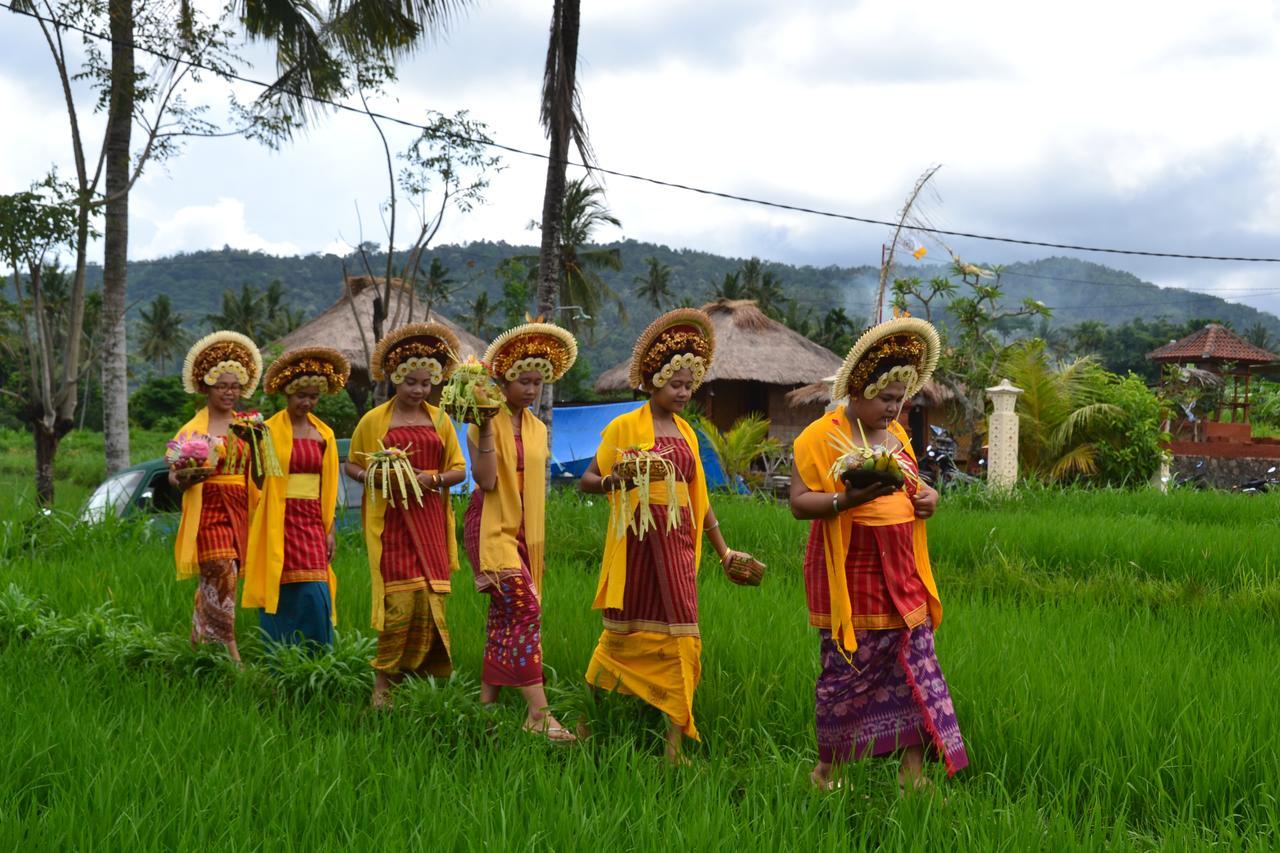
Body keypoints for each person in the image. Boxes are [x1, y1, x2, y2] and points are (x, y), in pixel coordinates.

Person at [789, 315, 968, 792]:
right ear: (859, 390)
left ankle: (913, 776)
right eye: (885, 399)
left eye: (899, 400)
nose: (893, 409)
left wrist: (929, 497)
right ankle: (828, 772)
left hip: (902, 572)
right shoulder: (819, 437)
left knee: (911, 665)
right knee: (849, 671)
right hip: (851, 572)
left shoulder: (898, 438)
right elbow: (799, 502)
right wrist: (845, 501)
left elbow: (915, 486)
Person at [579, 308, 756, 764]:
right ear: (652, 382)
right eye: (675, 384)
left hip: (678, 544)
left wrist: (723, 550)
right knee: (621, 636)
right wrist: (620, 480)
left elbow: (701, 502)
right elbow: (588, 481)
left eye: (689, 385)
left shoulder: (688, 435)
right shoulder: (624, 428)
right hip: (636, 544)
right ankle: (588, 721)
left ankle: (673, 746)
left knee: (683, 638)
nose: (683, 393)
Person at [464, 321, 579, 742]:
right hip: (490, 528)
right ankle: (538, 713)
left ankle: (485, 707)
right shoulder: (482, 420)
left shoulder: (537, 428)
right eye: (523, 381)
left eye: (538, 383)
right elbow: (488, 481)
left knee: (504, 618)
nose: (532, 390)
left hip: (525, 531)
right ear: (503, 379)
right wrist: (487, 428)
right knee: (526, 612)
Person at [346, 323, 467, 708]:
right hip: (392, 525)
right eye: (411, 382)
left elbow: (459, 470)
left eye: (426, 383)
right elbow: (352, 465)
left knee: (431, 603)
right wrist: (373, 476)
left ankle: (421, 690)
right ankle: (383, 688)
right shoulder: (373, 421)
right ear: (396, 379)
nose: (418, 390)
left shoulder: (441, 420)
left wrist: (428, 478)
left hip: (430, 522)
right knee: (400, 605)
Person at [242, 346, 350, 651]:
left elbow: (327, 488)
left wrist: (330, 529)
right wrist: (254, 448)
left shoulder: (324, 434)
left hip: (313, 520)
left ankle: (318, 657)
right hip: (279, 518)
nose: (307, 402)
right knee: (280, 586)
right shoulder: (268, 431)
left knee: (316, 590)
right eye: (301, 395)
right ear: (287, 393)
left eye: (314, 396)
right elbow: (260, 481)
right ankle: (281, 660)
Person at [169, 330, 263, 664]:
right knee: (223, 572)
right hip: (208, 509)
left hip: (240, 509)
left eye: (235, 386)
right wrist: (185, 477)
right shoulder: (193, 430)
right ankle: (232, 654)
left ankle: (195, 648)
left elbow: (260, 472)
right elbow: (174, 474)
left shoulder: (247, 427)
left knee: (221, 575)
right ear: (206, 387)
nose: (229, 392)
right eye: (222, 386)